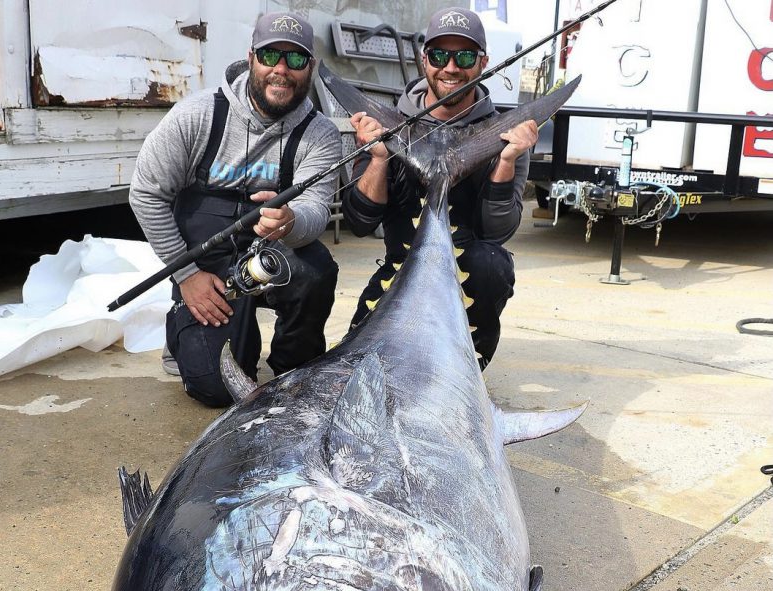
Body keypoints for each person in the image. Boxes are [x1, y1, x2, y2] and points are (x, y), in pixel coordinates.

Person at [130, 12, 341, 406]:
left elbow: (315, 208)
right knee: (217, 388)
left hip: (270, 246)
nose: (282, 70)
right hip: (206, 253)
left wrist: (292, 220)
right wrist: (187, 275)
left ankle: (294, 366)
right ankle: (184, 325)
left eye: (296, 60)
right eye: (270, 56)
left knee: (316, 269)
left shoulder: (321, 134)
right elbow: (146, 194)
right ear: (251, 58)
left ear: (310, 67)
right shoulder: (197, 115)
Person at [342, 6, 538, 371]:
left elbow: (498, 233)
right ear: (424, 59)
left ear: (483, 62)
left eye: (464, 56)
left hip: (469, 272)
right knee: (352, 369)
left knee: (491, 264)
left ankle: (466, 369)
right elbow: (359, 222)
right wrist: (380, 158)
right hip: (401, 267)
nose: (451, 67)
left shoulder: (507, 134)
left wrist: (506, 160)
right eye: (439, 55)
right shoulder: (383, 127)